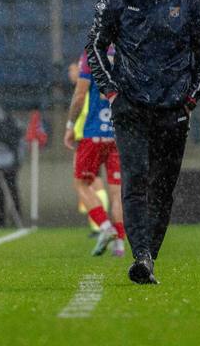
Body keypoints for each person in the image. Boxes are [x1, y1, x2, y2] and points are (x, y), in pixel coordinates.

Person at [86, 0, 200, 284]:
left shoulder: (192, 0)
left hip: (173, 108)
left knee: (163, 187)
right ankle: (141, 254)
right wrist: (112, 93)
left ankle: (149, 257)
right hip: (130, 106)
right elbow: (95, 47)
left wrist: (190, 99)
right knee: (134, 180)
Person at [64, 48, 125, 257]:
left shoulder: (92, 54)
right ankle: (119, 245)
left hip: (93, 132)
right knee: (117, 192)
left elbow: (80, 95)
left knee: (81, 183)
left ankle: (105, 227)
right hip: (118, 133)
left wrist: (70, 126)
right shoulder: (127, 51)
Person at [68, 60, 110, 236]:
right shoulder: (87, 87)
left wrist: (72, 129)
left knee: (88, 181)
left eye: (72, 70)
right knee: (92, 181)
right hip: (94, 135)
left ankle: (100, 225)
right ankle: (101, 225)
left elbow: (85, 111)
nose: (70, 74)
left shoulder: (84, 88)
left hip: (88, 136)